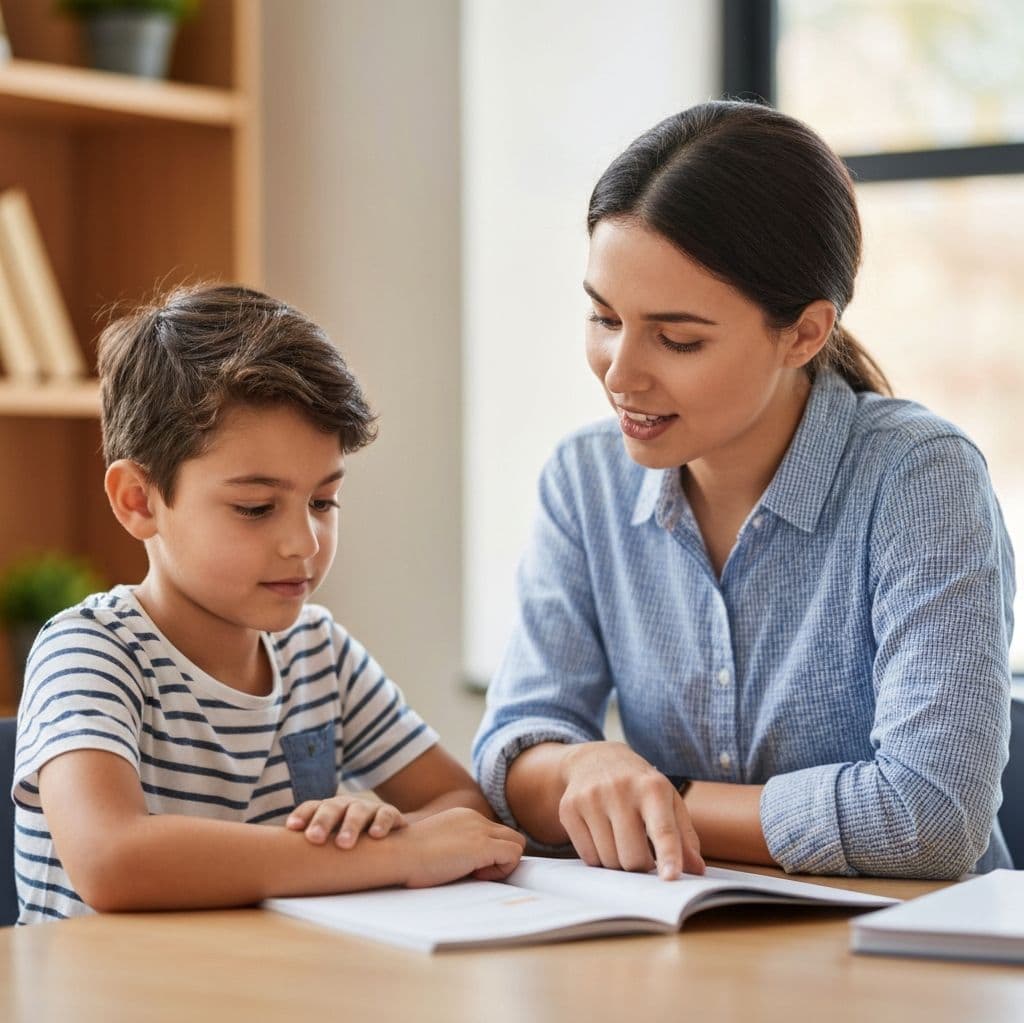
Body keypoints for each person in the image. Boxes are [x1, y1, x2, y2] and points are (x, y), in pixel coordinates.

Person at [472, 100, 1015, 881]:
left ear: (804, 332)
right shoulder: (584, 479)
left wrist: (660, 800)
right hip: (678, 945)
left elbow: (930, 819)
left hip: (909, 958)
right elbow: (512, 752)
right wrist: (578, 768)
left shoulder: (919, 477)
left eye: (679, 338)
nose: (620, 374)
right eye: (603, 317)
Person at [13, 284, 524, 924]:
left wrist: (384, 825)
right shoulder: (90, 652)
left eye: (323, 501)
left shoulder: (320, 653)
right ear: (139, 501)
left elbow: (461, 802)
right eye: (256, 508)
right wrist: (377, 859)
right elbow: (112, 859)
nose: (304, 542)